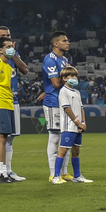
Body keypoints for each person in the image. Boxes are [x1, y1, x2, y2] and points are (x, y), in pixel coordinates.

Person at [0, 27, 28, 180]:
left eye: (9, 37)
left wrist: (14, 55)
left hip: (10, 101)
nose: (10, 48)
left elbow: (25, 70)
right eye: (5, 40)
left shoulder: (8, 64)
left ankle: (6, 171)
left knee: (7, 136)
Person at [52, 65, 92, 184]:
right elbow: (67, 109)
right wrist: (77, 122)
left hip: (78, 126)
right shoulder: (63, 91)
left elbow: (81, 108)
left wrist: (83, 122)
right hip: (69, 126)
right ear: (64, 78)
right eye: (72, 76)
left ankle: (77, 176)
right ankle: (56, 177)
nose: (75, 78)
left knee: (76, 151)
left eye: (75, 76)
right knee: (63, 151)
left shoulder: (77, 92)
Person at [40, 31, 71, 179]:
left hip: (64, 102)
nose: (68, 43)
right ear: (55, 43)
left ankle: (64, 172)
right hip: (53, 102)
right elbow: (56, 83)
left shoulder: (64, 60)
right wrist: (67, 77)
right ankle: (53, 173)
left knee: (66, 137)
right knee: (54, 137)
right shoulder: (50, 60)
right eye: (64, 41)